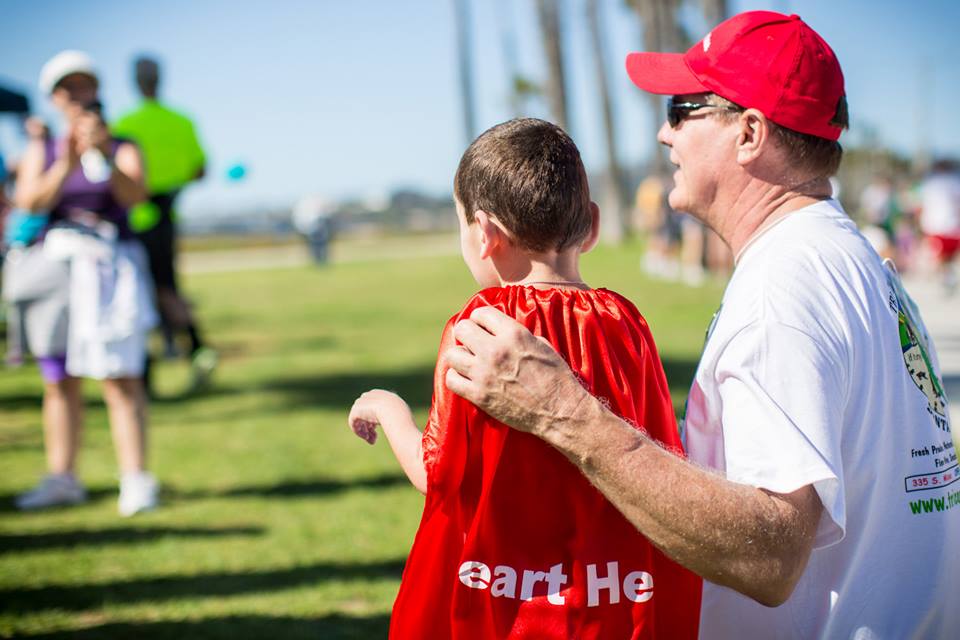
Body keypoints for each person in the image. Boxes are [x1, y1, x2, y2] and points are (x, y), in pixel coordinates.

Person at [442, 12, 958, 639]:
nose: (664, 133)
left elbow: (770, 557)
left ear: (749, 133)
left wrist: (563, 412)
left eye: (684, 109)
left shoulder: (783, 288)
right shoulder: (848, 257)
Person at [348, 118, 701, 639]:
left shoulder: (481, 328)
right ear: (593, 225)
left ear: (485, 234)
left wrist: (389, 409)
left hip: (506, 602)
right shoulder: (626, 322)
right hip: (615, 593)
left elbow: (438, 475)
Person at [12, 50, 159, 516]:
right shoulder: (46, 147)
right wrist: (65, 163)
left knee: (120, 377)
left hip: (110, 266)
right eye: (67, 89)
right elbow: (29, 202)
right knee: (59, 379)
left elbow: (136, 195)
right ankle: (62, 477)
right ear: (54, 98)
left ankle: (136, 479)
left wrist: (99, 154)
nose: (77, 96)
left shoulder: (122, 143)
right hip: (58, 270)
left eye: (84, 86)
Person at [112, 55, 216, 392]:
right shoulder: (181, 121)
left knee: (145, 291)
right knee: (166, 286)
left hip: (136, 221)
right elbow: (200, 169)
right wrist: (172, 186)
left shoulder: (125, 123)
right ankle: (194, 347)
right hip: (167, 215)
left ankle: (150, 366)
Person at [918, 159, 960, 294]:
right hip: (952, 226)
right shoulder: (955, 182)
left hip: (935, 227)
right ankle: (949, 278)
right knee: (949, 256)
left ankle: (947, 278)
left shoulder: (929, 184)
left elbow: (921, 206)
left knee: (941, 257)